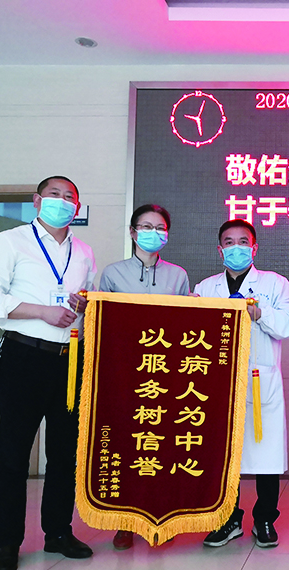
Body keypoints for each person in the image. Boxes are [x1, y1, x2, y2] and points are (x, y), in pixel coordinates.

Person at [0, 176, 96, 570]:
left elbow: (88, 298)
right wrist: (41, 311)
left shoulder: (83, 251)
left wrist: (83, 303)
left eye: (69, 197)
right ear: (37, 201)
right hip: (23, 356)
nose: (62, 202)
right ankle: (7, 542)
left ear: (77, 207)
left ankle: (58, 532)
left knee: (64, 453)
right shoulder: (10, 241)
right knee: (13, 454)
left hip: (70, 360)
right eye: (54, 195)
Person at [196, 219, 289, 549]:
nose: (236, 248)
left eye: (243, 242)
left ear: (254, 248)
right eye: (229, 242)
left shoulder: (274, 283)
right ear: (220, 250)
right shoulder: (205, 288)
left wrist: (261, 314)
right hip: (219, 383)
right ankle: (228, 518)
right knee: (225, 454)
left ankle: (265, 518)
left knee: (266, 454)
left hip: (260, 379)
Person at [98, 203, 190, 550]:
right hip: (126, 371)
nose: (154, 233)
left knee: (163, 444)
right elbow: (103, 322)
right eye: (146, 227)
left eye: (160, 227)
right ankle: (125, 521)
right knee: (127, 444)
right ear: (133, 232)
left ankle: (161, 516)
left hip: (165, 373)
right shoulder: (112, 273)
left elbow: (186, 325)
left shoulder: (178, 275)